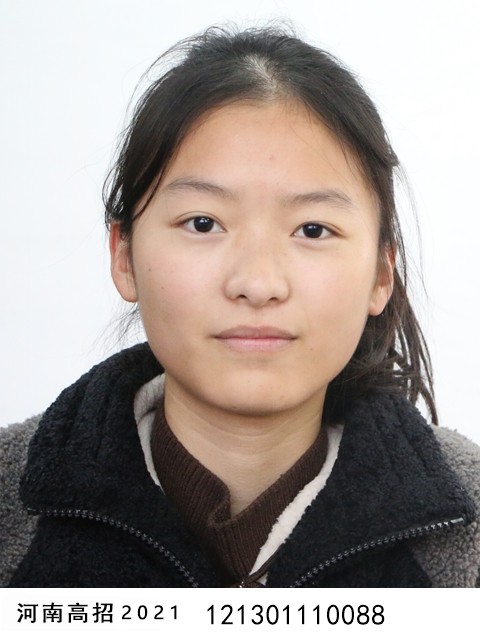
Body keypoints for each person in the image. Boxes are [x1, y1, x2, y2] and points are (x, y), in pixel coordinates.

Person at [1, 25, 479, 588]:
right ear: (124, 256)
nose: (257, 283)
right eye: (203, 223)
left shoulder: (466, 528)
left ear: (380, 274)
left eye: (313, 229)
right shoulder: (12, 508)